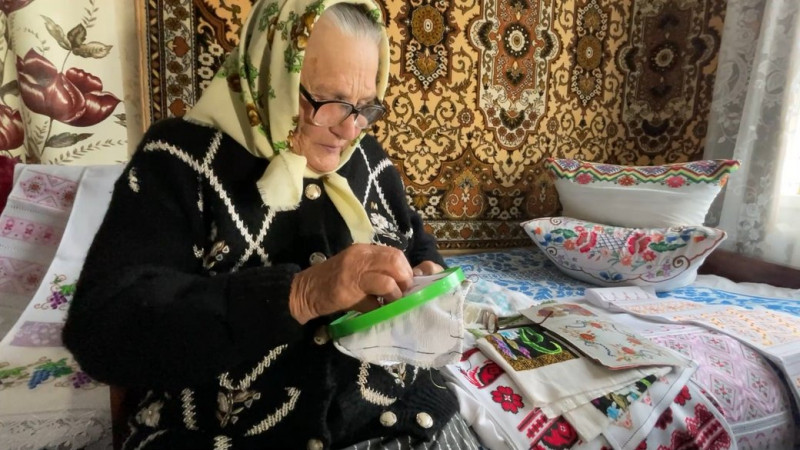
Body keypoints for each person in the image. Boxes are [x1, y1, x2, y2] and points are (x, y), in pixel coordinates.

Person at [63, 0, 481, 448]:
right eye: (329, 101)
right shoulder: (178, 161)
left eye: (364, 106)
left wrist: (426, 275)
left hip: (404, 421)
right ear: (271, 72)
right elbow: (103, 332)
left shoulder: (368, 159)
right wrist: (301, 295)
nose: (349, 129)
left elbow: (413, 239)